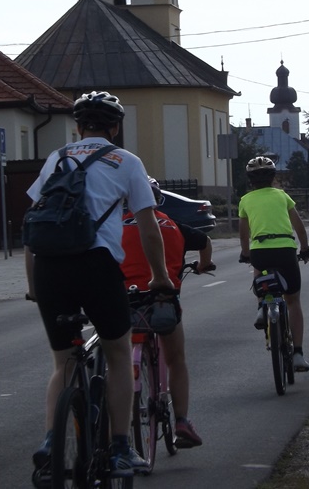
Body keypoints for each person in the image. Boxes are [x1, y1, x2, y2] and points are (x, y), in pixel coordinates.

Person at [25, 91, 173, 482]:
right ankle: (121, 447)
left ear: (77, 127)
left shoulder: (56, 159)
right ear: (116, 127)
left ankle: (51, 442)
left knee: (63, 362)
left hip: (49, 268)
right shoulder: (126, 161)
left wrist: (33, 284)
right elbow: (148, 227)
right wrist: (159, 276)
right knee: (119, 353)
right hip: (96, 265)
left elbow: (33, 223)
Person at [120, 176, 215, 449]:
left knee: (117, 361)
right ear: (157, 200)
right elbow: (205, 241)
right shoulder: (173, 225)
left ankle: (116, 431)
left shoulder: (116, 226)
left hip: (127, 302)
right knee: (176, 359)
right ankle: (182, 421)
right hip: (163, 301)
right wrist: (203, 265)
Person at [238, 156, 309, 372]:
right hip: (285, 250)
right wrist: (304, 248)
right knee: (293, 301)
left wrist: (246, 253)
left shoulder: (245, 200)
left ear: (250, 180)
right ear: (273, 178)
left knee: (258, 268)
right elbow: (299, 227)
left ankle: (262, 306)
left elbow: (243, 233)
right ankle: (298, 354)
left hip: (260, 250)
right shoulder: (282, 196)